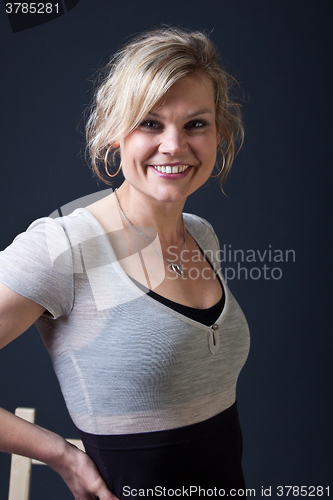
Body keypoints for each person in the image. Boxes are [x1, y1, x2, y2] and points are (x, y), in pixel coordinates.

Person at [0, 27, 250, 499]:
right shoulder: (64, 246)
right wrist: (61, 455)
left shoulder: (201, 234)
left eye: (195, 123)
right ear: (114, 131)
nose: (174, 145)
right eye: (150, 124)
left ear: (220, 132)